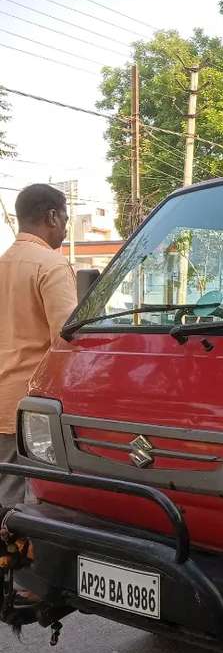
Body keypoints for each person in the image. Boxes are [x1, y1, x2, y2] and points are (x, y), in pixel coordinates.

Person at [0, 184, 77, 507]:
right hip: (30, 408)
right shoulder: (51, 265)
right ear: (52, 217)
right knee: (30, 505)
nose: (66, 228)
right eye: (66, 219)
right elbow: (66, 342)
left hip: (3, 403)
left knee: (5, 493)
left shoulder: (3, 263)